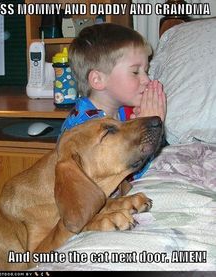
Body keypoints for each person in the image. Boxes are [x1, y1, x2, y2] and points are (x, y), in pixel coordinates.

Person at [60, 23, 166, 180]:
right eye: (135, 72)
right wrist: (149, 129)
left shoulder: (122, 111)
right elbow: (124, 178)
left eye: (146, 70)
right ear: (98, 79)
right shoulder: (87, 130)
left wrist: (145, 127)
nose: (146, 79)